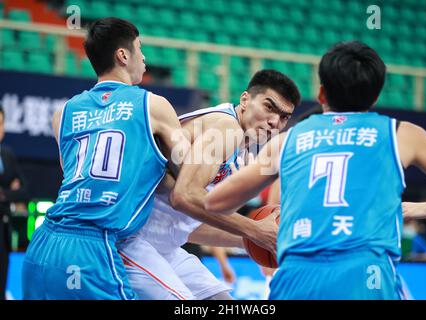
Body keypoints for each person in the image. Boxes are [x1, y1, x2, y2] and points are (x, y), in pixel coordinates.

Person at [205, 41, 426, 299]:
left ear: (322, 93)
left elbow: (213, 203)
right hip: (367, 278)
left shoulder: (286, 141)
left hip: (296, 281)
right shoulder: (404, 135)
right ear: (376, 96)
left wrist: (257, 228)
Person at [22, 18, 190, 299]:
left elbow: (74, 173)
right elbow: (190, 169)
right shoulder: (153, 104)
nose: (144, 57)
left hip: (43, 244)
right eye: (140, 48)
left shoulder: (63, 113)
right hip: (92, 247)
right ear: (123, 56)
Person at [118, 70, 301, 299]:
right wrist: (254, 229)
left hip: (164, 247)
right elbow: (183, 196)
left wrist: (258, 241)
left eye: (284, 117)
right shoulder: (227, 127)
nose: (275, 121)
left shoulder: (243, 153)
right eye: (269, 107)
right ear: (245, 100)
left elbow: (189, 229)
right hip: (130, 239)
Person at [0, 105, 29, 300]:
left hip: (3, 230)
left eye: (1, 123)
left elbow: (25, 190)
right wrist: (12, 190)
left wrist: (4, 194)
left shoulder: (7, 155)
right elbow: (16, 190)